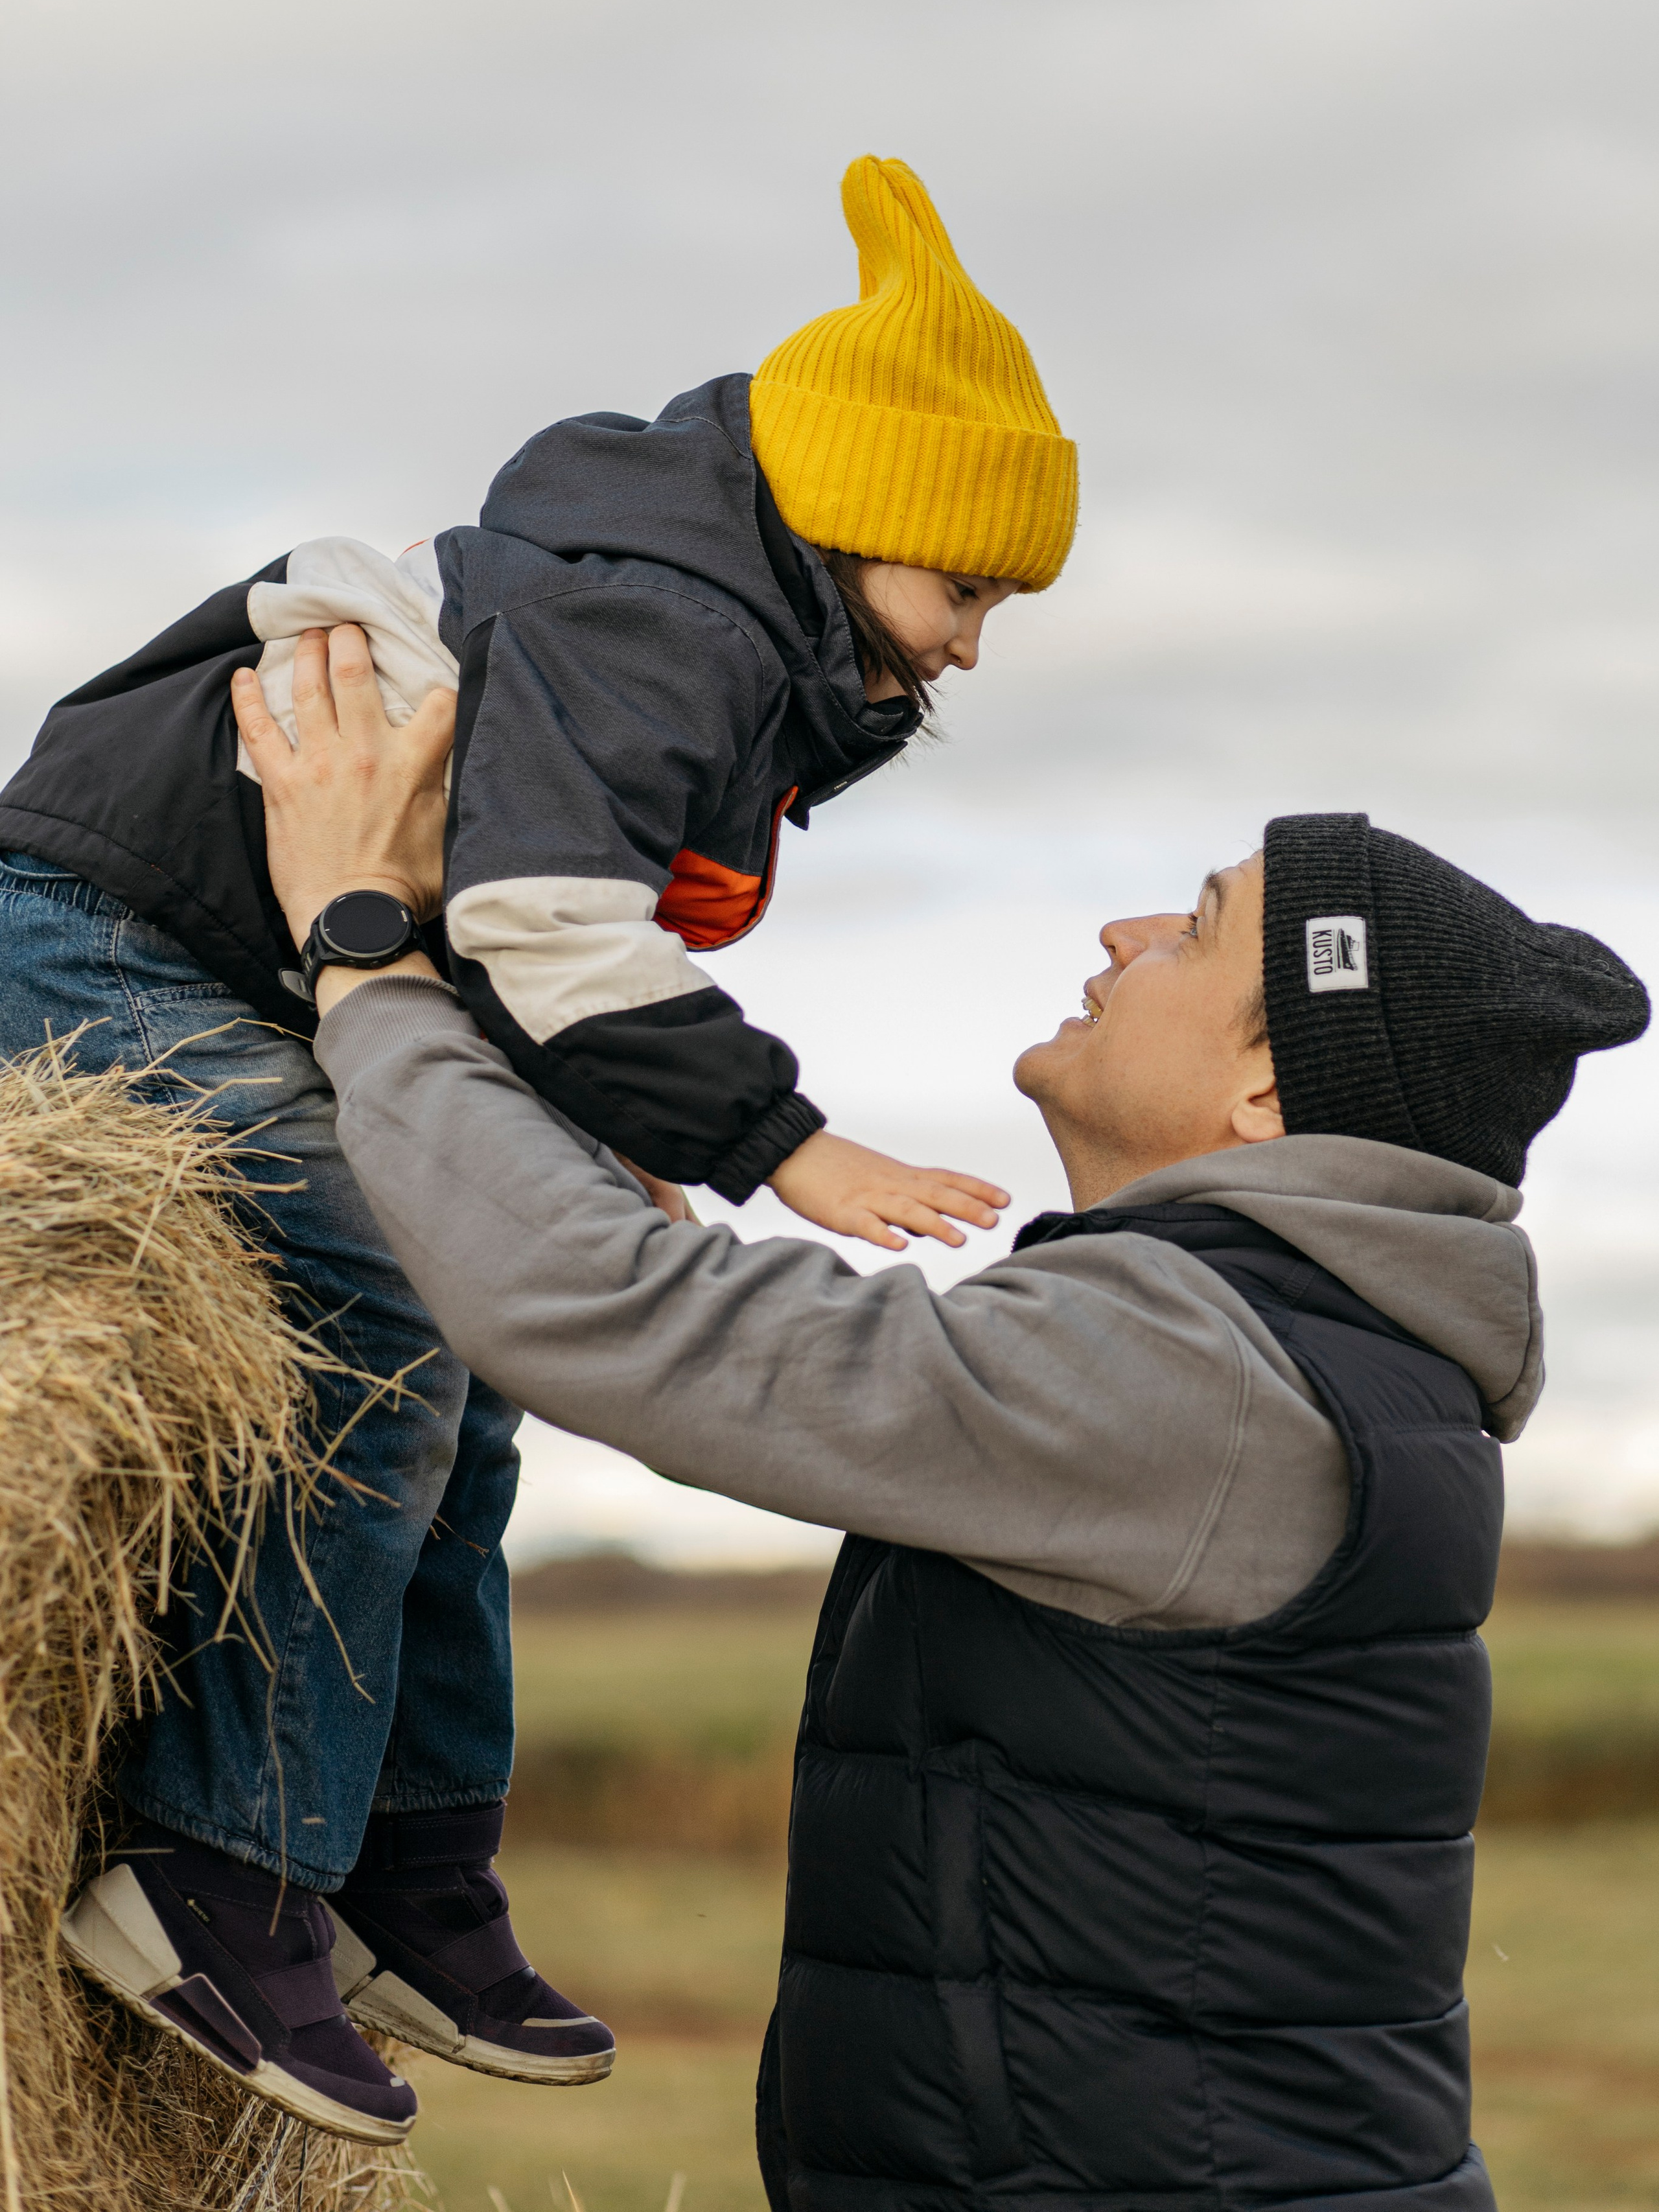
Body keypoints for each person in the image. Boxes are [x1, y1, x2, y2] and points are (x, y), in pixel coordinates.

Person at [74, 627, 1647, 2206]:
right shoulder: (1295, 1357)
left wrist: (362, 943)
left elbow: (622, 1322)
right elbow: (694, 1320)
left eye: (1195, 929)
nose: (1122, 930)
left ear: (1265, 1095)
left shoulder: (1204, 1377)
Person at [21, 158, 1076, 2141]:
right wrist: (782, 1142)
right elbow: (541, 918)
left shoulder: (706, 632)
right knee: (379, 1296)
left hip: (271, 964)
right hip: (104, 932)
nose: (969, 649)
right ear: (860, 522)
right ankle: (206, 1860)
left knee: (484, 1319)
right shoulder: (671, 623)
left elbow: (500, 909)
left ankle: (407, 1857)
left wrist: (578, 1129)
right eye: (968, 593)